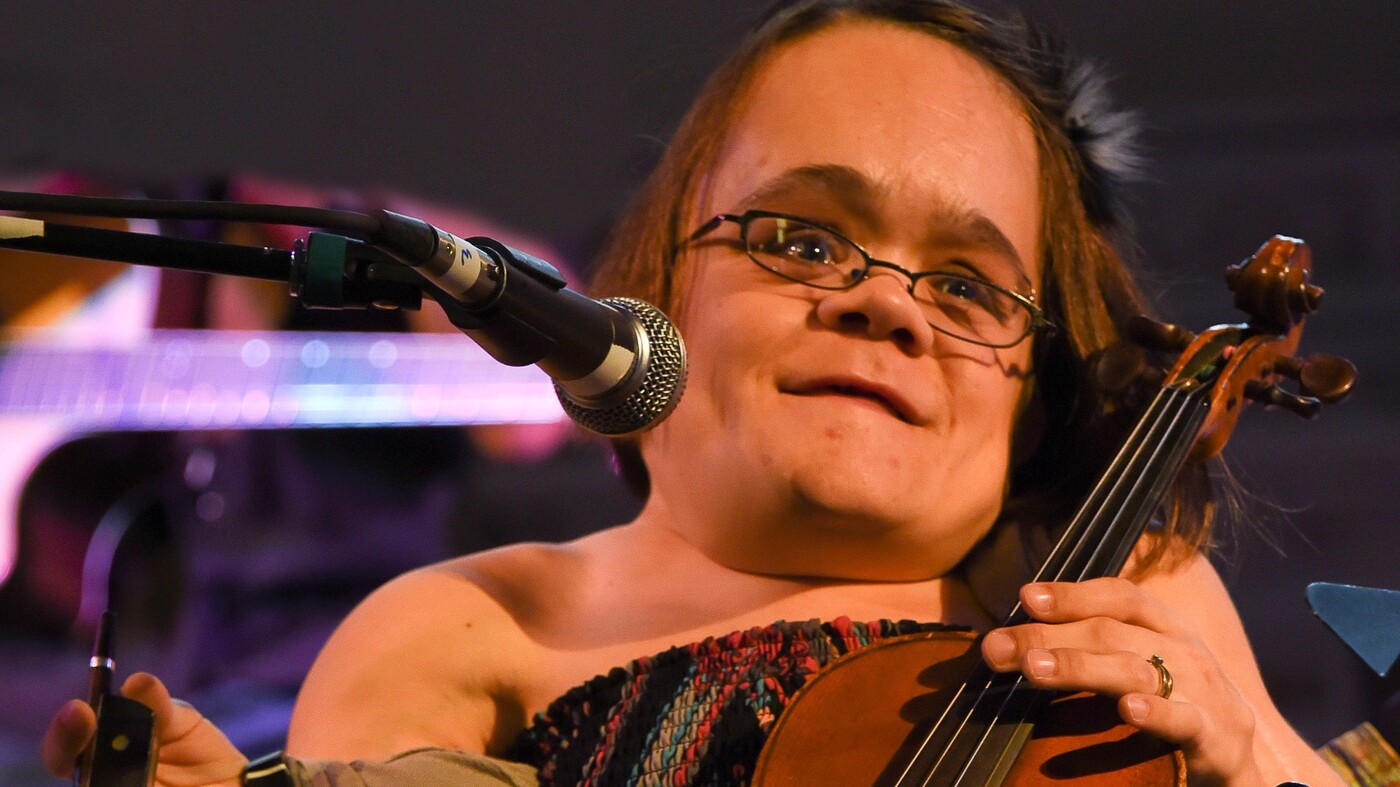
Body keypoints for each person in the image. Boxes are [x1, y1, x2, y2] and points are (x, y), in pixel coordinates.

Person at [40, 1, 1349, 784]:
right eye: (803, 240)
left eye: (968, 286)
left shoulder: (1120, 595)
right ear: (655, 290)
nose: (887, 300)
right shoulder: (476, 627)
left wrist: (1274, 770)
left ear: (1035, 389)